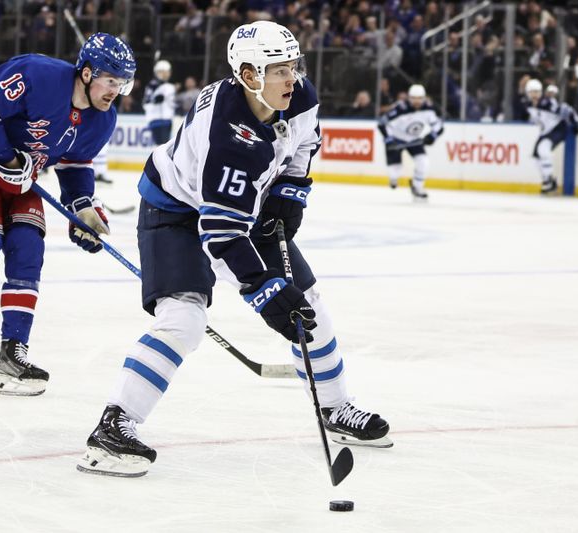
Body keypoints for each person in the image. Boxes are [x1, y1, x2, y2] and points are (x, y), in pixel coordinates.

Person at [77, 21, 391, 478]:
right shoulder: (227, 135)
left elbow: (304, 143)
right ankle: (114, 425)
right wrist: (262, 288)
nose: (293, 78)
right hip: (176, 211)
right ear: (248, 75)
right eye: (279, 69)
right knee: (184, 317)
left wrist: (289, 191)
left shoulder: (297, 95)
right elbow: (221, 236)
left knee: (310, 308)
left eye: (293, 66)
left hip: (250, 205)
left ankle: (336, 408)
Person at [0, 34, 136, 395]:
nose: (116, 90)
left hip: (20, 173)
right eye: (111, 80)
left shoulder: (102, 119)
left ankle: (11, 356)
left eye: (122, 82)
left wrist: (83, 208)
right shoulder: (36, 74)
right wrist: (7, 159)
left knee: (28, 249)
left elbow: (76, 164)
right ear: (87, 73)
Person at [378, 84, 443, 199]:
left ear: (424, 98)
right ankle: (394, 177)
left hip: (414, 139)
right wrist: (389, 140)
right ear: (409, 98)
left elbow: (439, 125)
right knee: (394, 174)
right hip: (396, 139)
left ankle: (417, 187)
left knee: (423, 162)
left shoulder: (429, 109)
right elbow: (382, 123)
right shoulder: (399, 108)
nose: (417, 101)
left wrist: (432, 136)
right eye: (414, 98)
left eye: (420, 98)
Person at [519, 79, 578, 194]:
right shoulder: (528, 105)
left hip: (558, 128)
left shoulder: (547, 103)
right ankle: (547, 180)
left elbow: (566, 109)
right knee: (536, 156)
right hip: (546, 131)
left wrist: (575, 123)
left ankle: (550, 180)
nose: (534, 95)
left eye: (536, 92)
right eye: (532, 92)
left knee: (543, 149)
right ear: (527, 93)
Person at [143, 60, 176, 145]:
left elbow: (172, 104)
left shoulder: (170, 87)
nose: (166, 74)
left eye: (167, 72)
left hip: (168, 120)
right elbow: (145, 104)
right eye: (162, 72)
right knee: (162, 147)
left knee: (167, 147)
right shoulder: (152, 86)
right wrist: (154, 101)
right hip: (156, 120)